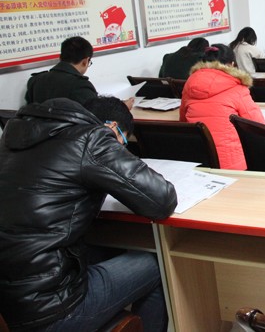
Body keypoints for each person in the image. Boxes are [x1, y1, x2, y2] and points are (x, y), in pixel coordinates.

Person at [0, 96, 177, 331]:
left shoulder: (15, 136)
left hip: (9, 302)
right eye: (122, 142)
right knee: (157, 264)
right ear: (112, 128)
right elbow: (162, 200)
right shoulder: (93, 139)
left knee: (100, 247)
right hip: (52, 310)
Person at [180, 44, 265, 169]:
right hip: (231, 164)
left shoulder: (190, 83)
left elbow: (183, 120)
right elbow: (258, 125)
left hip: (197, 161)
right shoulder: (237, 87)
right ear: (231, 64)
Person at [25, 36, 98, 105]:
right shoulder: (81, 86)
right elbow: (94, 112)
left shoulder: (35, 80)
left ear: (61, 57)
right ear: (85, 61)